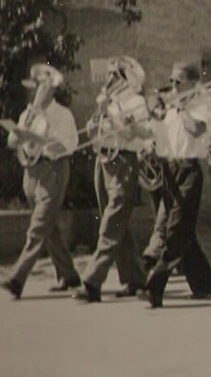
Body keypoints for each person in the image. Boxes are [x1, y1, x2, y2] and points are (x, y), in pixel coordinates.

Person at [139, 61, 211, 308]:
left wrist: (179, 107)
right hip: (169, 170)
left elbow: (196, 129)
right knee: (183, 229)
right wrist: (149, 143)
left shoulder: (203, 103)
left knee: (175, 229)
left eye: (178, 81)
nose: (172, 86)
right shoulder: (169, 107)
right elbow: (157, 132)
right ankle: (204, 284)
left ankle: (155, 286)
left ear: (193, 83)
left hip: (189, 169)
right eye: (171, 81)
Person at [1, 63, 81, 299]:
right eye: (34, 87)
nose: (35, 91)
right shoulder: (28, 114)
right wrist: (27, 123)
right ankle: (69, 275)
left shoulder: (63, 114)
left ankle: (17, 278)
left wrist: (43, 141)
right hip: (31, 172)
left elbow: (70, 146)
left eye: (40, 87)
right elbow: (11, 142)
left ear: (50, 89)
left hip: (53, 170)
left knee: (38, 227)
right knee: (48, 228)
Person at [74, 56, 150, 302]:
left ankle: (92, 281)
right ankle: (136, 278)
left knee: (111, 223)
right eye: (108, 74)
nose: (108, 79)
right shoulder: (107, 100)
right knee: (118, 223)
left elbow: (129, 134)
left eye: (114, 75)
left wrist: (109, 110)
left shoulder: (136, 101)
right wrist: (100, 110)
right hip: (104, 160)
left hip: (124, 161)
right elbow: (91, 131)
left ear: (126, 78)